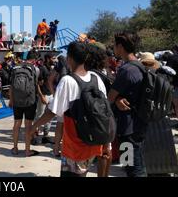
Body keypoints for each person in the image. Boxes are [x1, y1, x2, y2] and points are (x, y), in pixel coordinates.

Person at [32, 42, 110, 177]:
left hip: (75, 144)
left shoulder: (68, 80)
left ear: (69, 59)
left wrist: (34, 127)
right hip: (94, 141)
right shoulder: (96, 78)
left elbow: (52, 112)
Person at [108, 32, 147, 177]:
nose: (113, 48)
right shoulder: (139, 66)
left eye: (115, 45)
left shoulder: (126, 69)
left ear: (120, 47)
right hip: (139, 123)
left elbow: (110, 97)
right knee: (135, 163)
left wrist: (116, 99)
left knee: (132, 167)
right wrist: (119, 99)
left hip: (127, 128)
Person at [84, 43, 113, 177]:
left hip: (97, 116)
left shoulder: (91, 75)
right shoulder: (106, 72)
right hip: (107, 116)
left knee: (102, 152)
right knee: (106, 150)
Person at [9, 50, 45, 157]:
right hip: (30, 101)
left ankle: (15, 148)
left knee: (17, 124)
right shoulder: (36, 69)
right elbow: (37, 85)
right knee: (28, 125)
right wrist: (42, 96)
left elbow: (11, 86)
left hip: (17, 101)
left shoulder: (15, 68)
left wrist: (11, 100)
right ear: (34, 59)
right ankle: (27, 150)